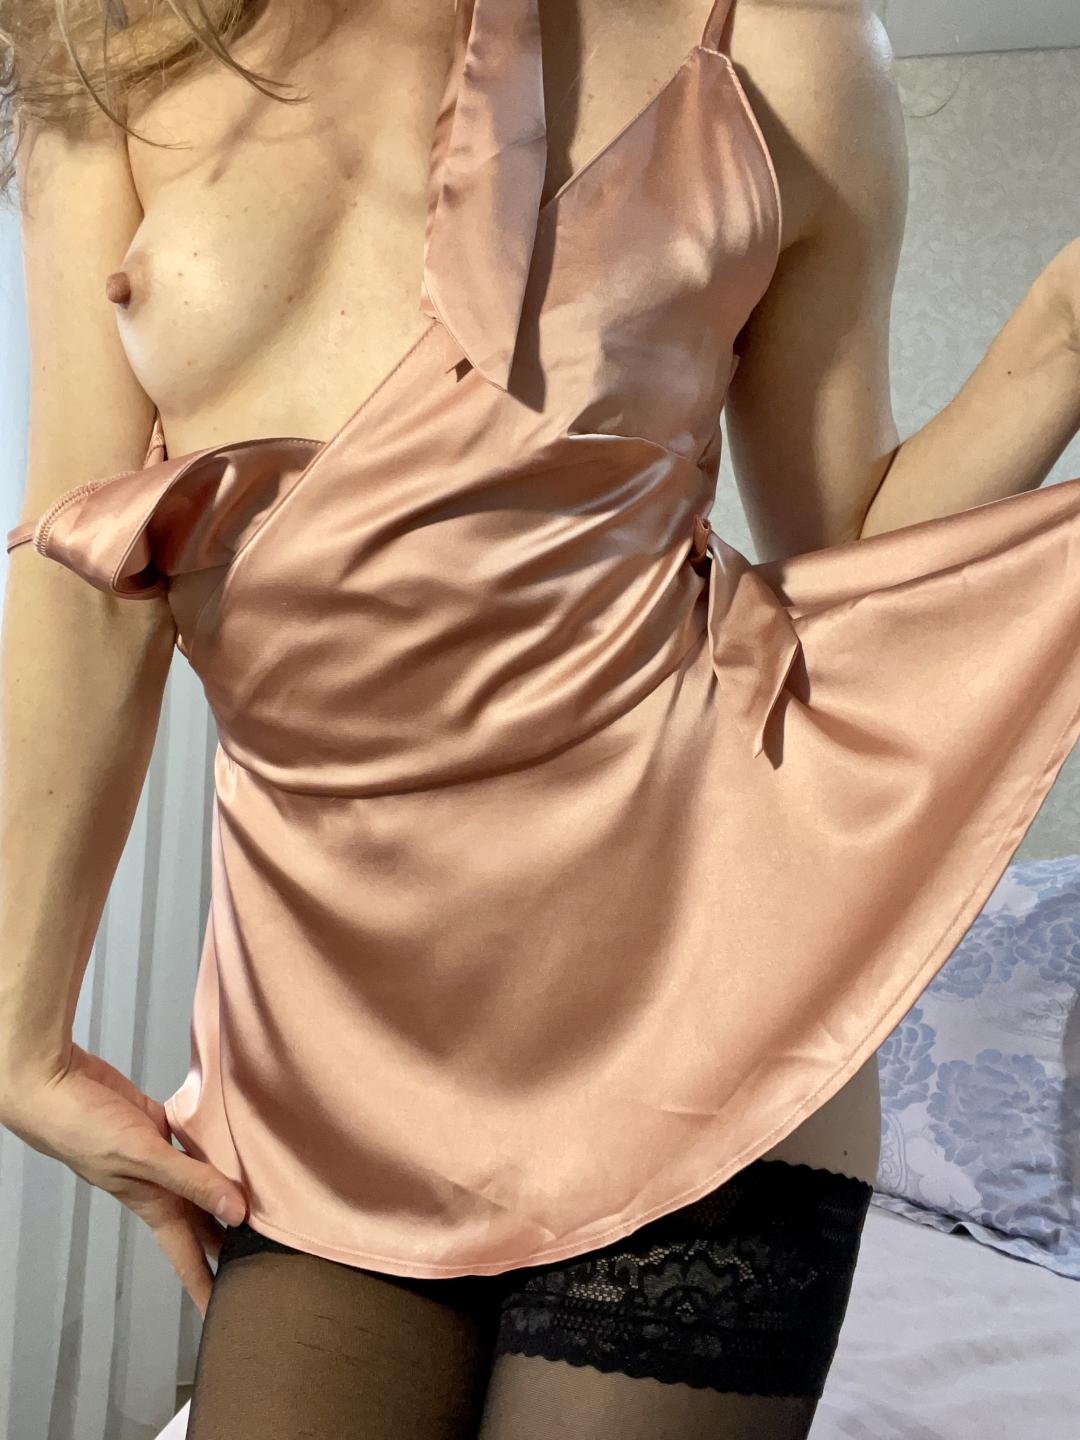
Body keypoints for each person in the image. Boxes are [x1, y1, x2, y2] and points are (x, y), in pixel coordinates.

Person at [1, 2, 1078, 1436]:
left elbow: (846, 568)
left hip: (693, 999)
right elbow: (82, 561)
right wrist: (19, 1028)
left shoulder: (783, 42)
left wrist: (1063, 328)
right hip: (327, 1042)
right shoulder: (113, 39)